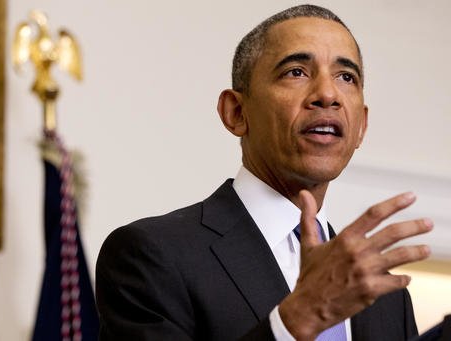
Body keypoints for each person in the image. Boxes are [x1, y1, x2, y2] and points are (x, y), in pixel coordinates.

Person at [96, 4, 432, 340]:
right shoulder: (152, 255)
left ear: (362, 127)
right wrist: (299, 319)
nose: (328, 95)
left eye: (346, 77)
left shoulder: (384, 295)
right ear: (237, 112)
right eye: (296, 72)